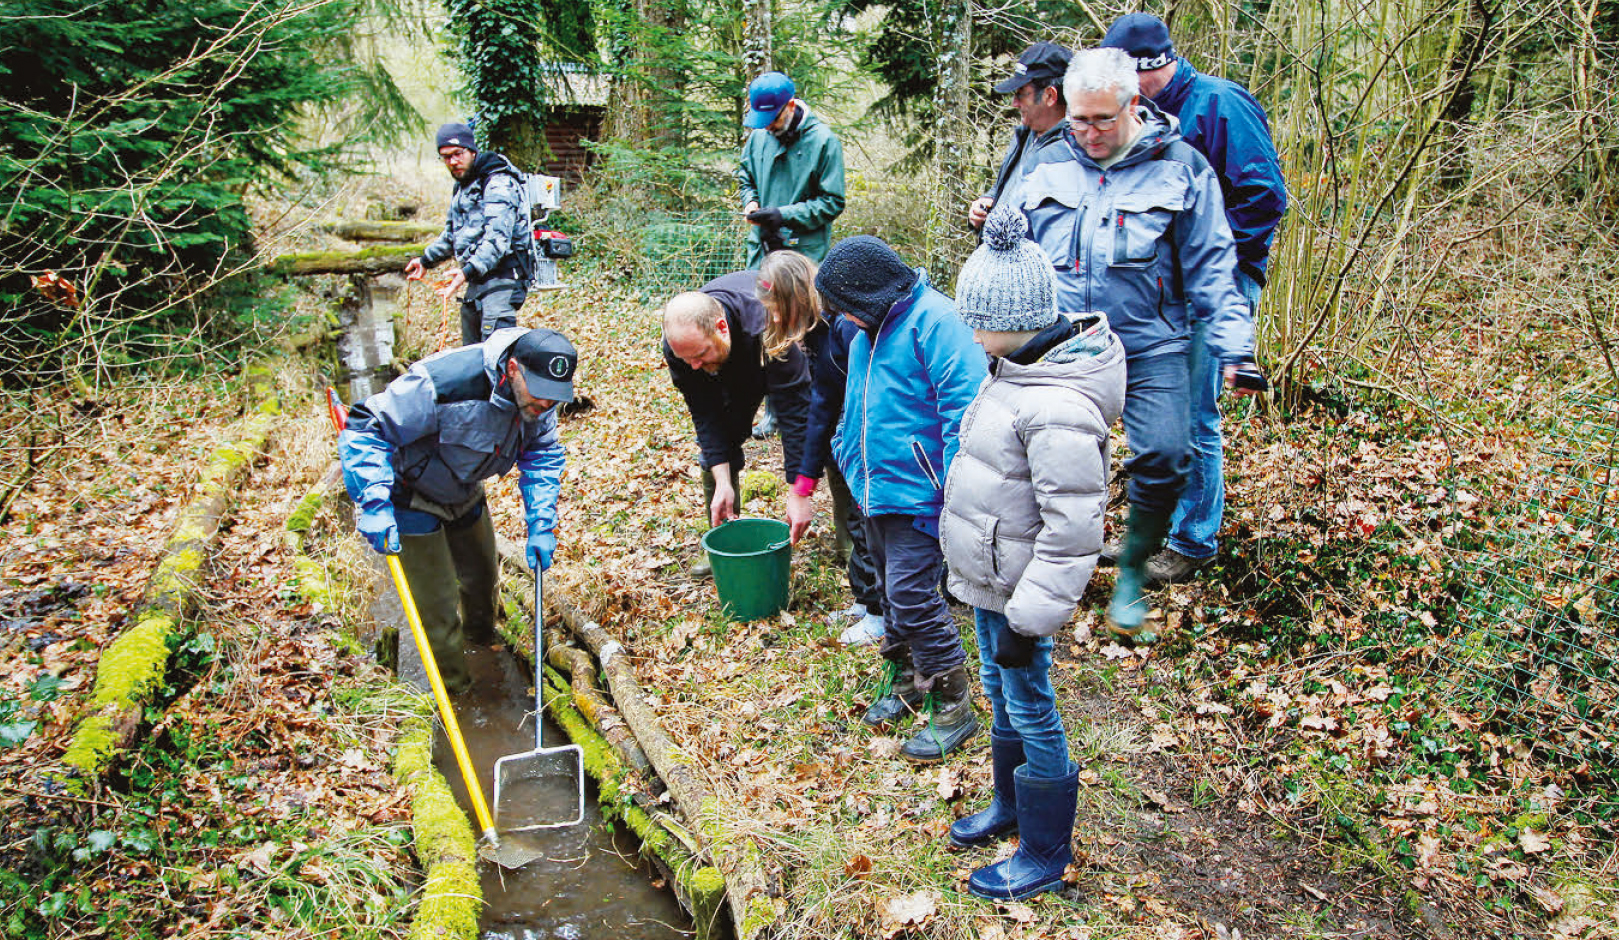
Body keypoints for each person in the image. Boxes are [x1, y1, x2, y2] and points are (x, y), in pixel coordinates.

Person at [1019, 47, 1263, 644]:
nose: (1089, 133)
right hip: (1067, 343)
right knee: (1048, 460)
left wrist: (1236, 348)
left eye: (1102, 120)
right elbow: (1007, 244)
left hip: (1154, 344)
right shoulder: (1048, 162)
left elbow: (1212, 267)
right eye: (1078, 119)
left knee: (1167, 456)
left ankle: (1131, 569)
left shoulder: (1182, 168)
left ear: (1134, 104)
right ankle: (1050, 570)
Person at [941, 206, 1126, 899]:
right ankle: (1009, 806)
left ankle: (1044, 851)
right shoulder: (1014, 367)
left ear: (1012, 318)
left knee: (1031, 703)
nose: (969, 331)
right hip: (994, 582)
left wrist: (1029, 620)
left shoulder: (1056, 404)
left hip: (1022, 597)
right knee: (1000, 692)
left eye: (976, 318)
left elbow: (1073, 527)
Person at [1101, 14, 1287, 585]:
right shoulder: (1140, 120)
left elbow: (1263, 198)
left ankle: (1192, 541)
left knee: (1195, 416)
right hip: (1158, 295)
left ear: (1149, 68)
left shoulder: (1219, 104)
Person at [816, 235, 988, 762]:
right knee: (889, 591)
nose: (842, 320)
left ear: (871, 295)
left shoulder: (938, 323)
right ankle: (910, 679)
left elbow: (967, 411)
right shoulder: (867, 330)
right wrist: (847, 453)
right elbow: (854, 405)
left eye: (846, 309)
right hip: (876, 487)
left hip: (922, 492)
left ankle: (953, 700)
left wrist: (953, 492)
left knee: (914, 595)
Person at [338, 327, 575, 694]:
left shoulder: (539, 402)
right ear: (513, 369)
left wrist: (541, 525)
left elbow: (542, 457)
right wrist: (374, 504)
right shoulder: (443, 384)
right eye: (540, 394)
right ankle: (457, 694)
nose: (546, 406)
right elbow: (366, 425)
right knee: (438, 612)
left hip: (465, 490)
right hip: (410, 495)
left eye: (554, 398)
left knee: (482, 586)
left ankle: (485, 654)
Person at [763, 251, 886, 646]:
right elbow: (821, 405)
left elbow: (871, 392)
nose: (776, 320)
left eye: (778, 309)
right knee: (855, 517)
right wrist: (803, 482)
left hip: (879, 438)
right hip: (852, 437)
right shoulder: (818, 336)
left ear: (797, 297)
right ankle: (866, 603)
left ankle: (882, 615)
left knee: (872, 523)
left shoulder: (846, 329)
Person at [661, 270, 811, 574]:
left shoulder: (769, 324)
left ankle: (848, 543)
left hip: (775, 353)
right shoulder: (685, 349)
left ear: (721, 327)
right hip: (733, 367)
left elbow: (796, 414)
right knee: (719, 445)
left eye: (700, 355)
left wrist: (799, 490)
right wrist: (723, 480)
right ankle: (726, 542)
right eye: (686, 359)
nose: (693, 366)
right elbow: (705, 414)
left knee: (828, 434)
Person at [404, 122, 537, 346]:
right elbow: (452, 236)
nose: (453, 162)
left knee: (495, 353)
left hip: (505, 276)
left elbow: (497, 240)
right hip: (479, 278)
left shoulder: (498, 183)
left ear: (472, 151)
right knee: (472, 353)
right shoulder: (463, 186)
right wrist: (426, 261)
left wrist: (465, 273)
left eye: (458, 154)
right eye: (446, 157)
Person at [736, 72, 847, 270]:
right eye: (763, 120)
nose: (768, 126)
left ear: (791, 106)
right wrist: (750, 202)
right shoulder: (758, 137)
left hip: (802, 255)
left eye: (773, 119)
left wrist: (783, 215)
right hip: (761, 253)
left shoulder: (823, 142)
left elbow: (832, 202)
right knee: (754, 300)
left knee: (800, 302)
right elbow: (746, 178)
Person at [968, 42, 1073, 231]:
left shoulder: (1070, 154)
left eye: (1021, 94)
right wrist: (987, 202)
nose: (1015, 103)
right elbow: (1008, 189)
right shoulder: (1025, 136)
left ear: (1050, 95)